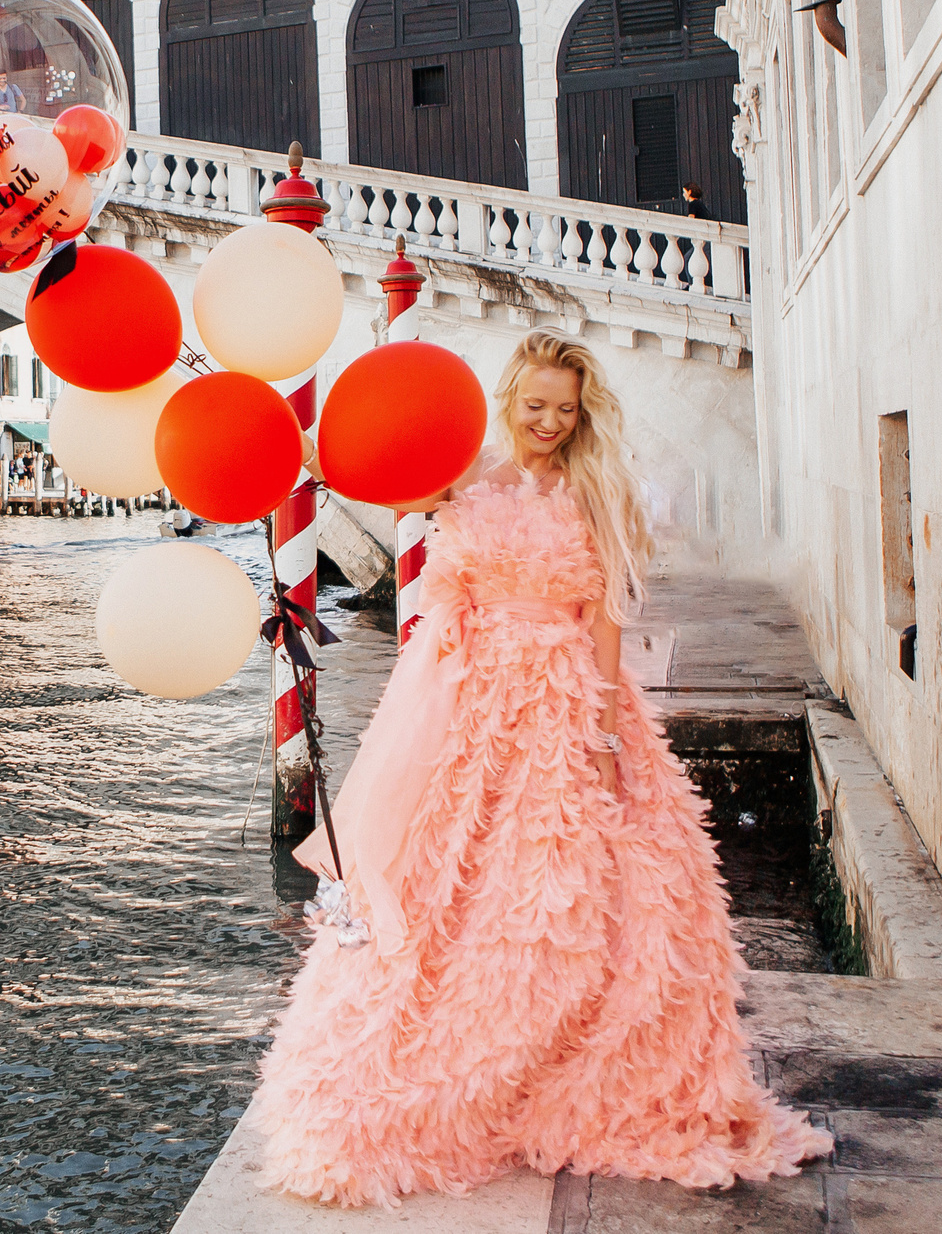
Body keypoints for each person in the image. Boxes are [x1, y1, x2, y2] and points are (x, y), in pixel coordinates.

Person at [251, 331, 831, 1205]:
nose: (551, 423)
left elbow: (601, 623)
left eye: (565, 409)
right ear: (509, 397)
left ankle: (578, 1069)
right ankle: (445, 1077)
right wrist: (315, 452)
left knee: (579, 888)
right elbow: (394, 484)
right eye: (536, 407)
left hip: (564, 699)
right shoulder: (468, 471)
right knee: (451, 881)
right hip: (473, 701)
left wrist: (602, 732)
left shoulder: (594, 489)